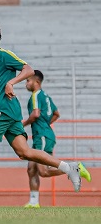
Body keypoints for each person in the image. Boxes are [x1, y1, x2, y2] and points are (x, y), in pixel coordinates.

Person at [0, 22, 88, 207]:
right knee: (25, 152)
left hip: (3, 109)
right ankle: (68, 167)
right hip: (9, 111)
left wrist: (11, 82)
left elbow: (29, 69)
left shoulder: (4, 55)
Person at [22, 70, 91, 208]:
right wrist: (46, 124)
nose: (26, 83)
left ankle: (74, 168)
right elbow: (56, 113)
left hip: (41, 137)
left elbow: (35, 114)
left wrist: (22, 125)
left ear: (37, 82)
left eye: (28, 80)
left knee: (43, 171)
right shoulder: (46, 96)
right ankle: (34, 202)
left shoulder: (36, 95)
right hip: (44, 135)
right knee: (31, 169)